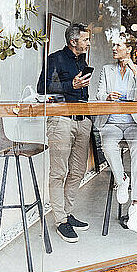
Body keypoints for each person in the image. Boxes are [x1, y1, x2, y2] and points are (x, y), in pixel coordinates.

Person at [37, 23, 92, 243]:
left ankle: (67, 213)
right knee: (58, 172)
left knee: (78, 171)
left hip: (82, 120)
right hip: (60, 121)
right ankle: (60, 221)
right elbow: (43, 87)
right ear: (73, 41)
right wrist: (72, 84)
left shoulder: (82, 60)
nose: (88, 42)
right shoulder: (55, 59)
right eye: (85, 39)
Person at [94, 34, 137, 232]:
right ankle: (121, 180)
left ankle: (136, 206)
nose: (114, 48)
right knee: (107, 143)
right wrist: (107, 96)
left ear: (129, 49)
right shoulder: (107, 70)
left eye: (118, 45)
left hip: (135, 123)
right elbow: (98, 94)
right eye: (114, 45)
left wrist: (134, 70)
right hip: (112, 122)